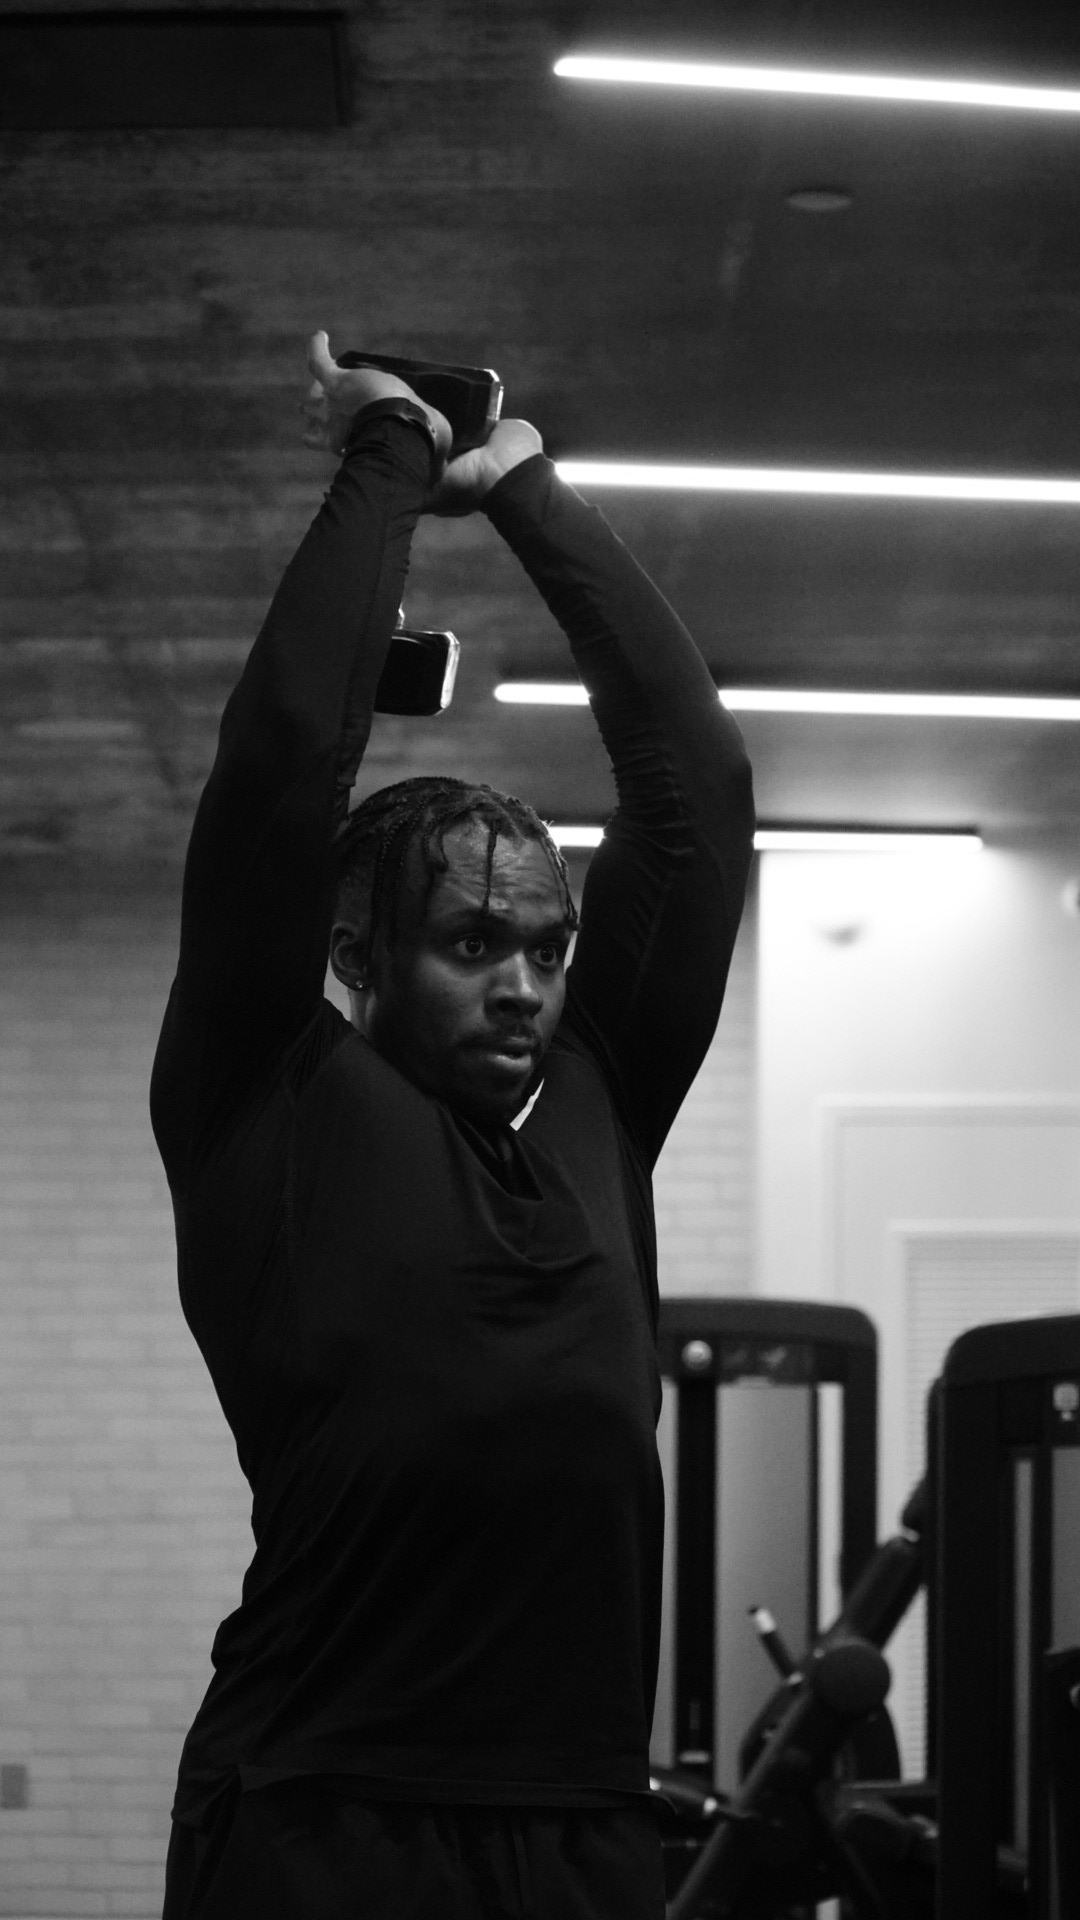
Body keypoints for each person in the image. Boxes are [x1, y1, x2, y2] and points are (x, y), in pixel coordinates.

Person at [151, 333, 755, 1920]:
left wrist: (529, 491)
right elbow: (286, 762)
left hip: (581, 1831)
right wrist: (390, 462)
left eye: (548, 948)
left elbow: (698, 790)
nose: (526, 987)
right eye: (475, 945)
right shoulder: (266, 1094)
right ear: (357, 960)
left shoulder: (598, 1113)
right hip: (323, 1818)